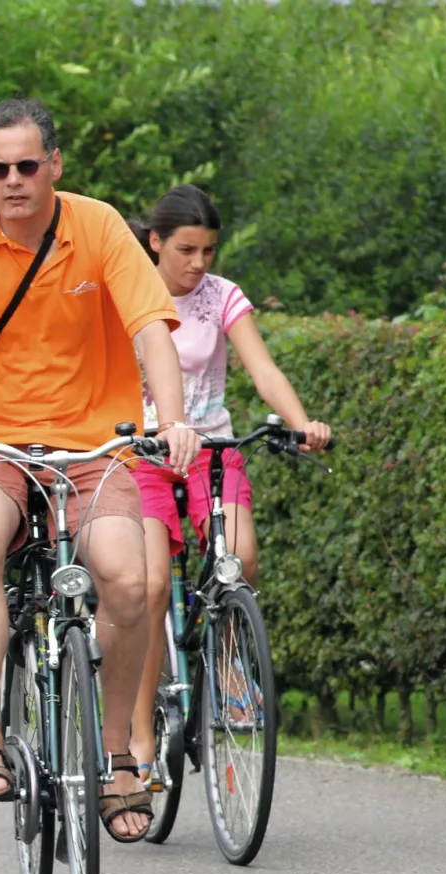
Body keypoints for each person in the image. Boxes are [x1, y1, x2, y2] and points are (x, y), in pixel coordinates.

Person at [0, 97, 201, 844]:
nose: (13, 181)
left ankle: (117, 758)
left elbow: (152, 331)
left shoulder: (96, 227)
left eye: (27, 166)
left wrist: (173, 420)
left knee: (129, 580)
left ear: (54, 166)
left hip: (94, 448)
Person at [127, 185, 331, 776]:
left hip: (212, 448)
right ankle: (139, 734)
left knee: (238, 558)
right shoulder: (128, 293)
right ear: (156, 242)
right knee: (149, 586)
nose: (198, 263)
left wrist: (301, 424)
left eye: (209, 250)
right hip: (142, 455)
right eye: (186, 249)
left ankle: (225, 662)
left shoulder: (222, 298)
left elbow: (262, 369)